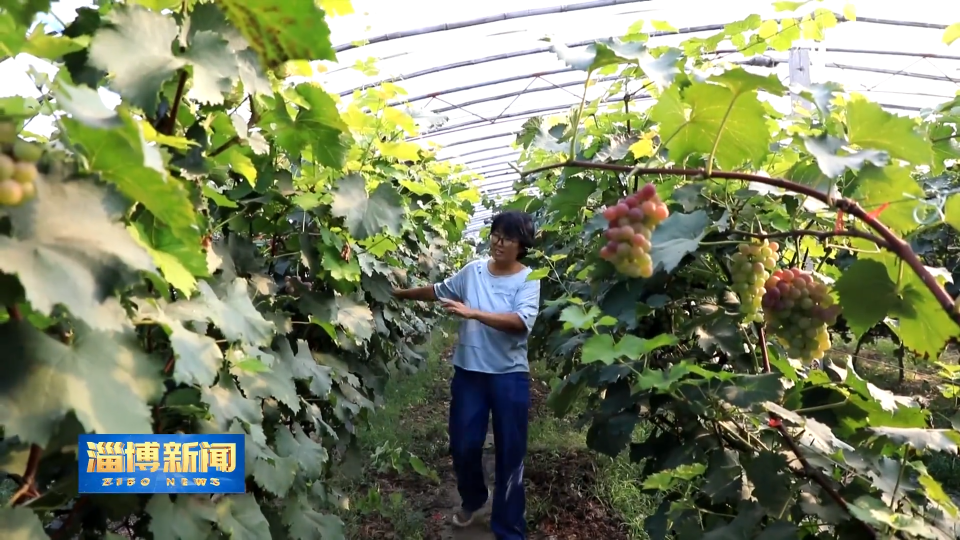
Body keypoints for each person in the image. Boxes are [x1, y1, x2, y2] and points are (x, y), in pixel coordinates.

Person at [392, 210, 541, 539]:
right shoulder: (473, 271)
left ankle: (508, 527)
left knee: (510, 454)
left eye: (508, 238)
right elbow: (438, 290)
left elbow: (520, 323)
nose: (499, 242)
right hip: (470, 375)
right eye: (496, 234)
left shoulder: (529, 279)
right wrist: (398, 294)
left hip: (509, 376)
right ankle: (474, 498)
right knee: (463, 444)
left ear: (522, 245)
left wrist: (473, 312)